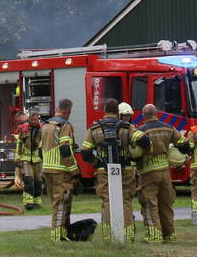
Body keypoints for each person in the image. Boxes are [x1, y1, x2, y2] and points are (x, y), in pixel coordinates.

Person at [81, 100, 149, 242]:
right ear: (118, 112)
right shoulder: (127, 127)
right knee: (126, 202)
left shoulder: (94, 128)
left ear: (104, 110)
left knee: (107, 202)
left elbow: (85, 152)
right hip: (125, 170)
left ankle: (108, 237)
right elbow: (144, 141)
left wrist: (96, 163)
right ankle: (128, 237)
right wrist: (136, 153)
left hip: (104, 171)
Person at [135, 103, 188, 243]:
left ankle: (154, 236)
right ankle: (169, 235)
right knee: (166, 204)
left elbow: (134, 152)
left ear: (143, 115)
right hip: (165, 172)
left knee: (149, 203)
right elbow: (185, 144)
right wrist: (180, 157)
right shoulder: (168, 127)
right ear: (156, 113)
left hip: (148, 172)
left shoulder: (140, 131)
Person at [40, 98, 78, 241]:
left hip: (47, 169)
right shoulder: (65, 125)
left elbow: (39, 149)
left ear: (57, 108)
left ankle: (62, 233)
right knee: (61, 203)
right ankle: (57, 236)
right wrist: (75, 172)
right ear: (68, 111)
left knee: (55, 203)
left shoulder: (45, 125)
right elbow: (65, 149)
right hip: (61, 170)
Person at [15, 111, 44, 210]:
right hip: (26, 158)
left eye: (36, 119)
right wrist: (17, 156)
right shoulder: (24, 129)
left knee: (38, 181)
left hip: (38, 159)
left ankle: (37, 201)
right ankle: (28, 202)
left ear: (38, 119)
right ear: (29, 119)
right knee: (28, 180)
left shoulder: (42, 129)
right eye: (32, 119)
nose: (34, 121)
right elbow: (19, 143)